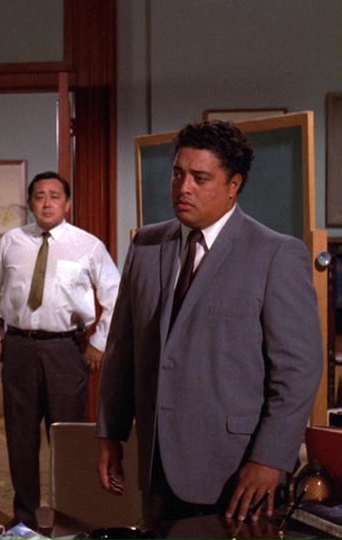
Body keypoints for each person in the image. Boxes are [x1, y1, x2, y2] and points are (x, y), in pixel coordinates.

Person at [96, 120, 323, 526]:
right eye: (178, 174)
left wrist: (270, 458)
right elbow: (123, 350)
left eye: (199, 178)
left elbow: (298, 371)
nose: (183, 188)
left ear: (234, 185)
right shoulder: (147, 245)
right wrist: (111, 433)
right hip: (157, 464)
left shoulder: (276, 254)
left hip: (236, 469)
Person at [0, 171, 121, 529]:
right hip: (19, 349)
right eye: (40, 196)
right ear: (30, 203)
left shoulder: (88, 245)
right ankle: (24, 519)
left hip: (66, 351)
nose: (47, 203)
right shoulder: (11, 242)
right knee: (20, 438)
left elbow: (116, 296)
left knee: (67, 439)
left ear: (67, 204)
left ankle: (70, 518)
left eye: (55, 196)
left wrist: (99, 342)